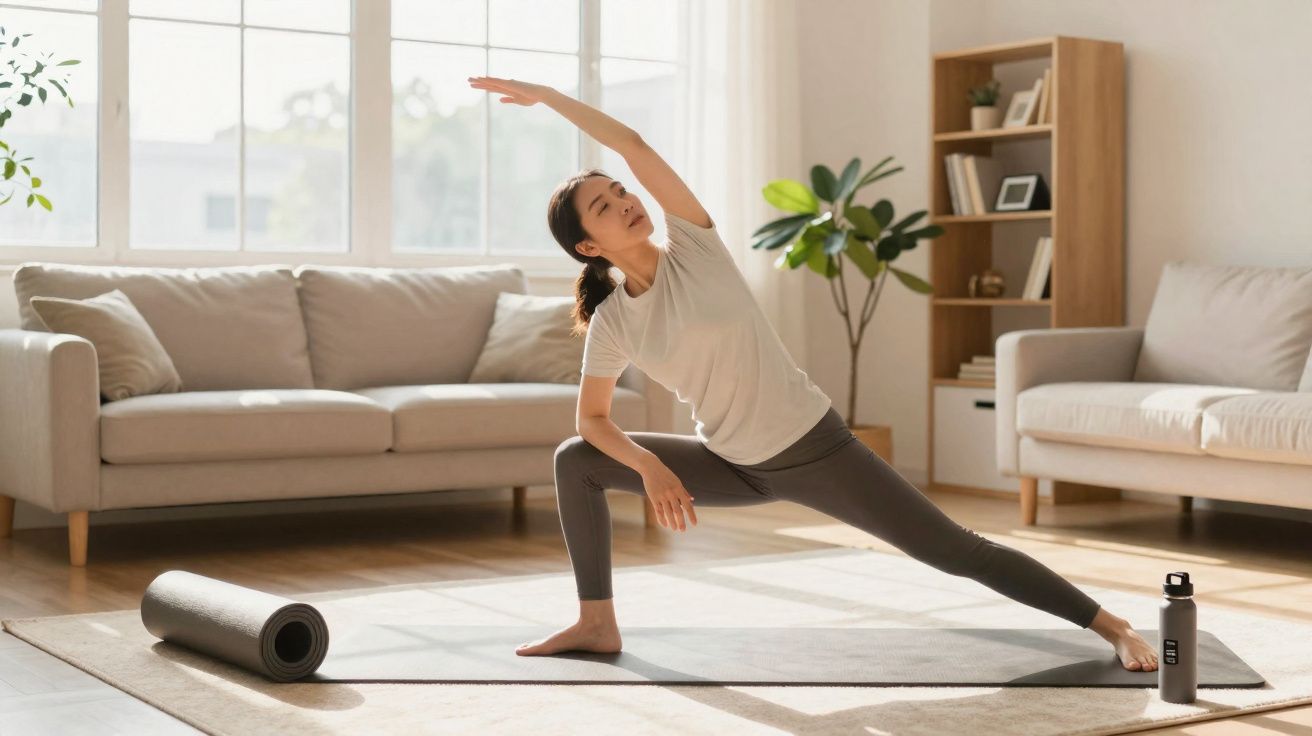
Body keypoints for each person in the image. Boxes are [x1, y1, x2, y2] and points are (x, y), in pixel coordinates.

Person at [466, 75, 1159, 672]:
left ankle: (1112, 626)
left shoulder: (696, 251)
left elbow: (637, 149)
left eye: (620, 191)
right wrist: (648, 466)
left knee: (954, 551)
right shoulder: (613, 319)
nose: (625, 200)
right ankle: (597, 621)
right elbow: (591, 422)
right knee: (575, 460)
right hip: (734, 462)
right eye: (605, 206)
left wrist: (553, 99)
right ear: (590, 246)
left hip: (816, 448)